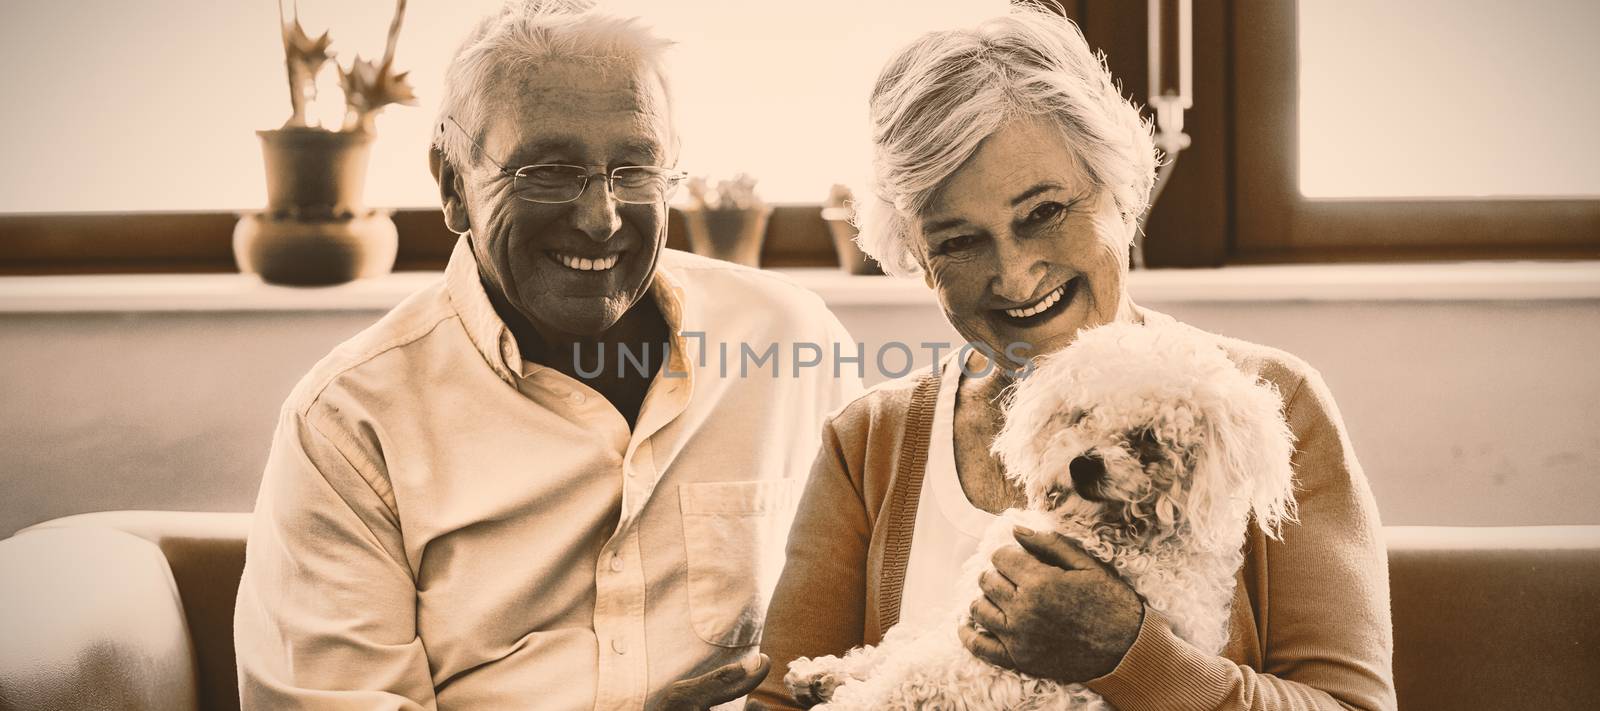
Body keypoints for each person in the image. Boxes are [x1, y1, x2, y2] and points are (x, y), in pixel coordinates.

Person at [753, 8, 1395, 710]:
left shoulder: (1269, 406)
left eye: (1044, 211)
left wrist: (1132, 655)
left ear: (1121, 194)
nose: (1017, 275)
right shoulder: (867, 443)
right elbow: (780, 700)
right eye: (960, 242)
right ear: (921, 263)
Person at [233, 2, 860, 708]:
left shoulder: (789, 340)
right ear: (451, 185)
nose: (602, 218)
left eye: (634, 170)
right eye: (549, 172)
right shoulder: (348, 423)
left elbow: (882, 614)